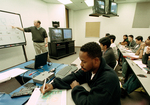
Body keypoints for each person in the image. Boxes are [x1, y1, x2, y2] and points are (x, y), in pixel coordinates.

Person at [40, 42, 121, 105]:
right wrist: (53, 85)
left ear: (96, 60)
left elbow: (88, 104)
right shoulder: (90, 68)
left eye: (84, 61)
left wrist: (76, 88)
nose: (81, 64)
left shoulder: (108, 78)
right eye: (81, 61)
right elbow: (76, 76)